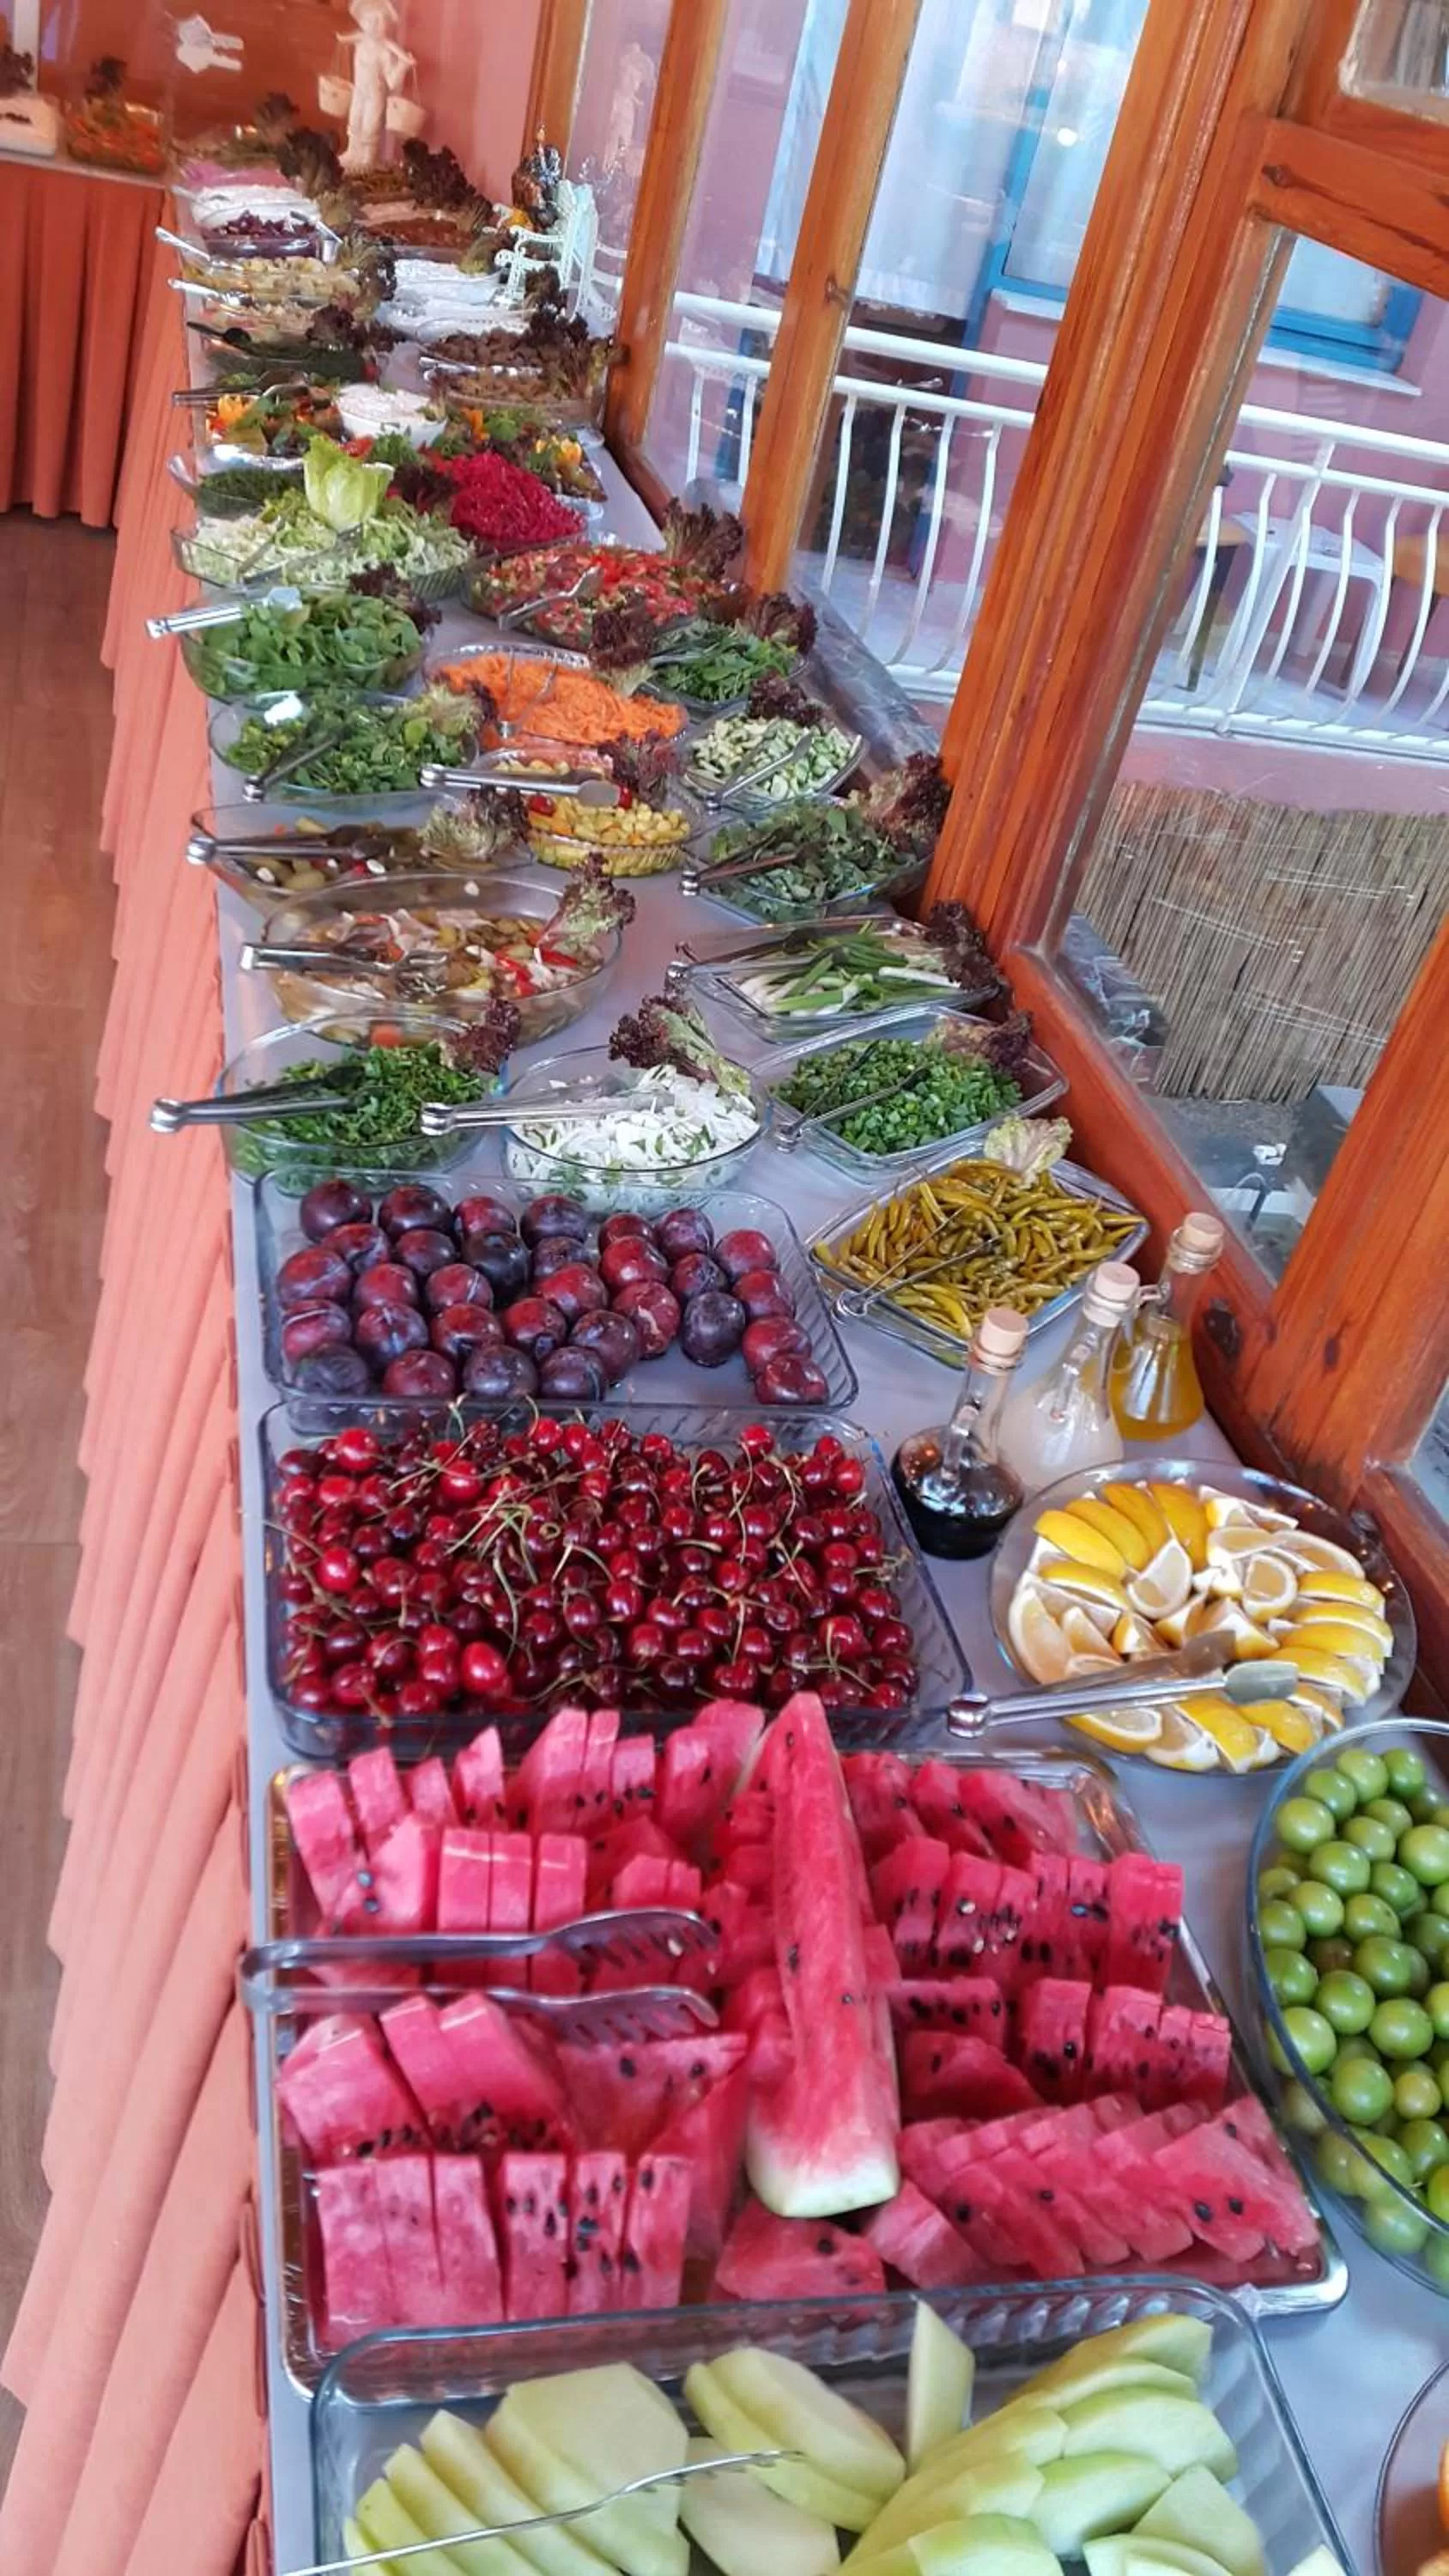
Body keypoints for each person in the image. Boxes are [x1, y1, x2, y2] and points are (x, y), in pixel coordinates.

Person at [338, 0, 414, 174]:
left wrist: (402, 65)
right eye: (368, 20)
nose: (373, 26)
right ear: (361, 22)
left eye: (379, 21)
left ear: (386, 25)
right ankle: (352, 151)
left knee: (370, 125)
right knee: (355, 119)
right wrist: (341, 39)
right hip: (359, 91)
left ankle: (368, 158)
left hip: (374, 94)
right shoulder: (361, 41)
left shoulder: (384, 51)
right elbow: (351, 37)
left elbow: (392, 81)